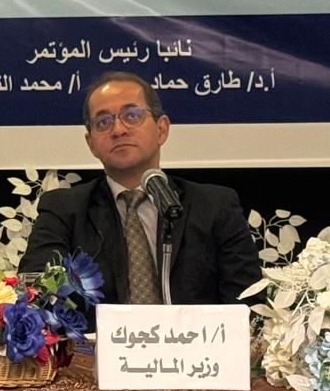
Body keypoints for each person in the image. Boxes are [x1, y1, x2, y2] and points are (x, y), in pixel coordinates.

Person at [19, 71, 260, 326]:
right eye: (103, 122)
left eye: (132, 116)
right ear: (91, 143)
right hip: (94, 350)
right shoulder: (64, 211)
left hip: (200, 348)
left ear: (161, 129)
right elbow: (36, 296)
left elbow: (247, 305)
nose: (118, 130)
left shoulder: (214, 206)